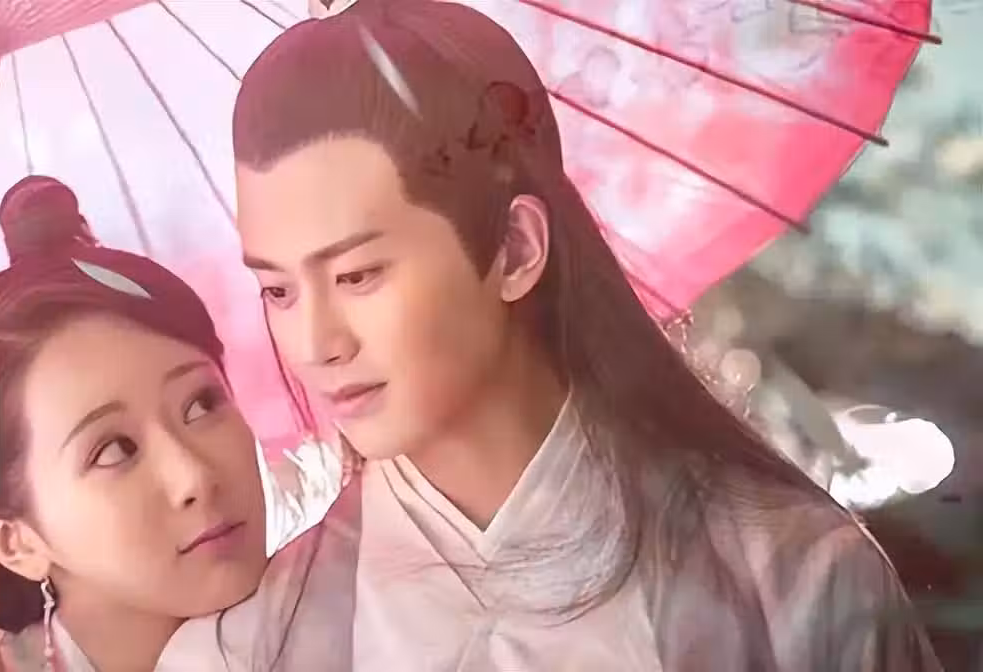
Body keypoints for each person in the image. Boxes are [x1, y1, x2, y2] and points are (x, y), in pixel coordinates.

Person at [229, 0, 942, 669]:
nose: (316, 344)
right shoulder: (254, 649)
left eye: (357, 275)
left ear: (514, 247)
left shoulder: (798, 584)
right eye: (278, 291)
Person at [0, 177, 355, 671]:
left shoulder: (359, 599)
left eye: (201, 405)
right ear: (17, 542)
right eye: (114, 450)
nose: (195, 478)